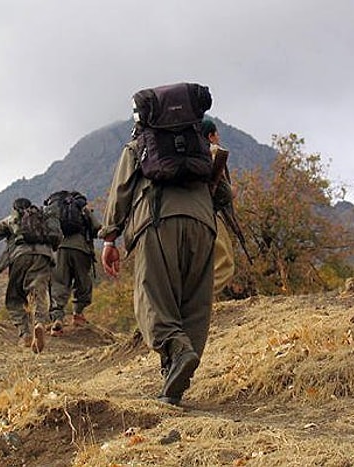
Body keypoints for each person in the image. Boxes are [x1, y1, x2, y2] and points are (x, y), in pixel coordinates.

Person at [99, 94, 216, 406]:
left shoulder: (139, 146)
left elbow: (121, 190)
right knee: (194, 303)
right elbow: (223, 191)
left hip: (157, 220)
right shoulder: (201, 143)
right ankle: (174, 381)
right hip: (204, 225)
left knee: (151, 298)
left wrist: (110, 239)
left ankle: (177, 351)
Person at [0, 197, 61, 353]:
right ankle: (39, 323)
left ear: (15, 209)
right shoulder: (42, 219)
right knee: (39, 292)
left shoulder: (11, 220)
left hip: (20, 257)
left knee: (14, 298)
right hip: (44, 255)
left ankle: (25, 334)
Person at [47, 192, 102, 335]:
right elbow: (96, 227)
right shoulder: (81, 207)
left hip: (59, 249)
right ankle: (78, 314)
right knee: (82, 281)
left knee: (59, 283)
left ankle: (57, 319)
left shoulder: (56, 209)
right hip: (80, 248)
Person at [202, 119, 236, 296]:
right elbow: (224, 193)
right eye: (216, 134)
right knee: (225, 263)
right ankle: (199, 302)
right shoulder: (213, 153)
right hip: (207, 213)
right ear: (210, 136)